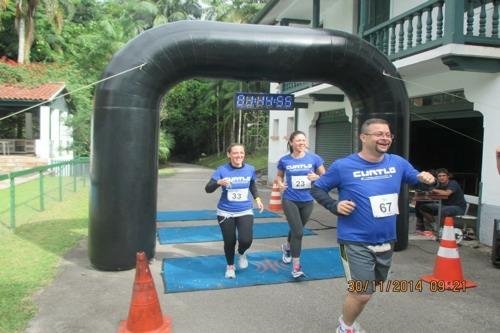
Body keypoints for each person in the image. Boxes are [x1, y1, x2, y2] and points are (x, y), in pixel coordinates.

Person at [310, 118, 435, 333]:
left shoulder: (398, 163)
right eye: (379, 134)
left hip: (387, 239)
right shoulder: (343, 166)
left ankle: (349, 314)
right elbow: (317, 188)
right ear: (363, 137)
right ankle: (345, 326)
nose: (385, 138)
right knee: (362, 292)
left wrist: (426, 178)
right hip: (354, 239)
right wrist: (334, 205)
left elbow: (416, 177)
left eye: (387, 134)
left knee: (374, 285)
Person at [205, 143, 264, 279]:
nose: (239, 156)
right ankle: (230, 266)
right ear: (229, 154)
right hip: (225, 212)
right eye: (235, 153)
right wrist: (218, 182)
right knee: (229, 241)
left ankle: (242, 253)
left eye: (241, 153)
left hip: (245, 210)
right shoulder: (222, 170)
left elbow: (252, 184)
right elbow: (208, 189)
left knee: (246, 240)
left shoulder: (250, 169)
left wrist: (258, 198)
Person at [276, 130, 326, 278]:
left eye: (303, 140)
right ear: (291, 143)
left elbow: (325, 176)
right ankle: (296, 267)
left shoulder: (314, 158)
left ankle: (287, 248)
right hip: (289, 199)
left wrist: (316, 176)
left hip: (308, 200)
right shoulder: (285, 160)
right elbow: (279, 176)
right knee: (298, 232)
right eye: (298, 140)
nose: (301, 143)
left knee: (296, 228)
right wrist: (280, 184)